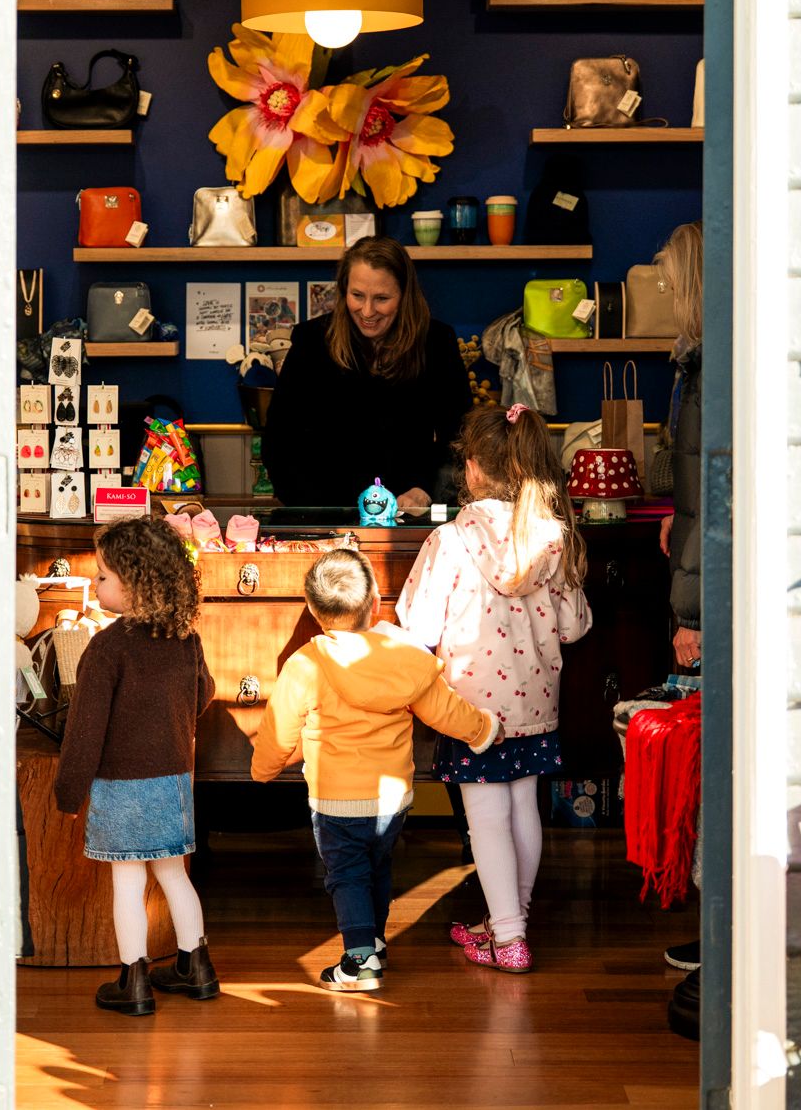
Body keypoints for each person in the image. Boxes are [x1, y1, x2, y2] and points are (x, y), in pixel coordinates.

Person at [250, 547, 502, 993]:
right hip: (392, 798)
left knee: (347, 875)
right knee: (378, 866)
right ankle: (375, 940)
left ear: (312, 610)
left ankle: (360, 960)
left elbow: (280, 730)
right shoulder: (402, 656)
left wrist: (263, 769)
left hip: (335, 800)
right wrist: (484, 729)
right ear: (375, 603)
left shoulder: (305, 664)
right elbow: (445, 710)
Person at [396, 403, 592, 974]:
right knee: (523, 807)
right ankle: (511, 921)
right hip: (534, 701)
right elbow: (575, 626)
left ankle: (508, 937)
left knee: (485, 817)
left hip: (472, 707)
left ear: (473, 468)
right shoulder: (552, 538)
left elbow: (418, 626)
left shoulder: (449, 540)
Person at [55, 516, 218, 1017]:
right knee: (173, 874)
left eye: (103, 575)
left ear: (135, 584)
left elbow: (85, 731)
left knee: (127, 881)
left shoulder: (107, 648)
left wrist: (68, 792)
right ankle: (196, 967)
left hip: (123, 785)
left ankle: (134, 981)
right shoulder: (184, 638)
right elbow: (204, 694)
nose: (96, 582)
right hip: (174, 780)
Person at [262, 235, 471, 509]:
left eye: (382, 298)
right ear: (343, 290)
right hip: (325, 511)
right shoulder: (312, 341)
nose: (368, 311)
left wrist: (425, 489)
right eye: (357, 296)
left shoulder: (436, 342)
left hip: (409, 513)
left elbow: (460, 437)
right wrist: (316, 510)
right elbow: (279, 442)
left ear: (404, 296)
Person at [653, 219, 705, 1028]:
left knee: (707, 767)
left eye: (668, 278)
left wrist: (691, 615)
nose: (662, 291)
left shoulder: (708, 366)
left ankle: (719, 932)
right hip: (695, 557)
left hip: (707, 591)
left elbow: (716, 495)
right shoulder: (695, 361)